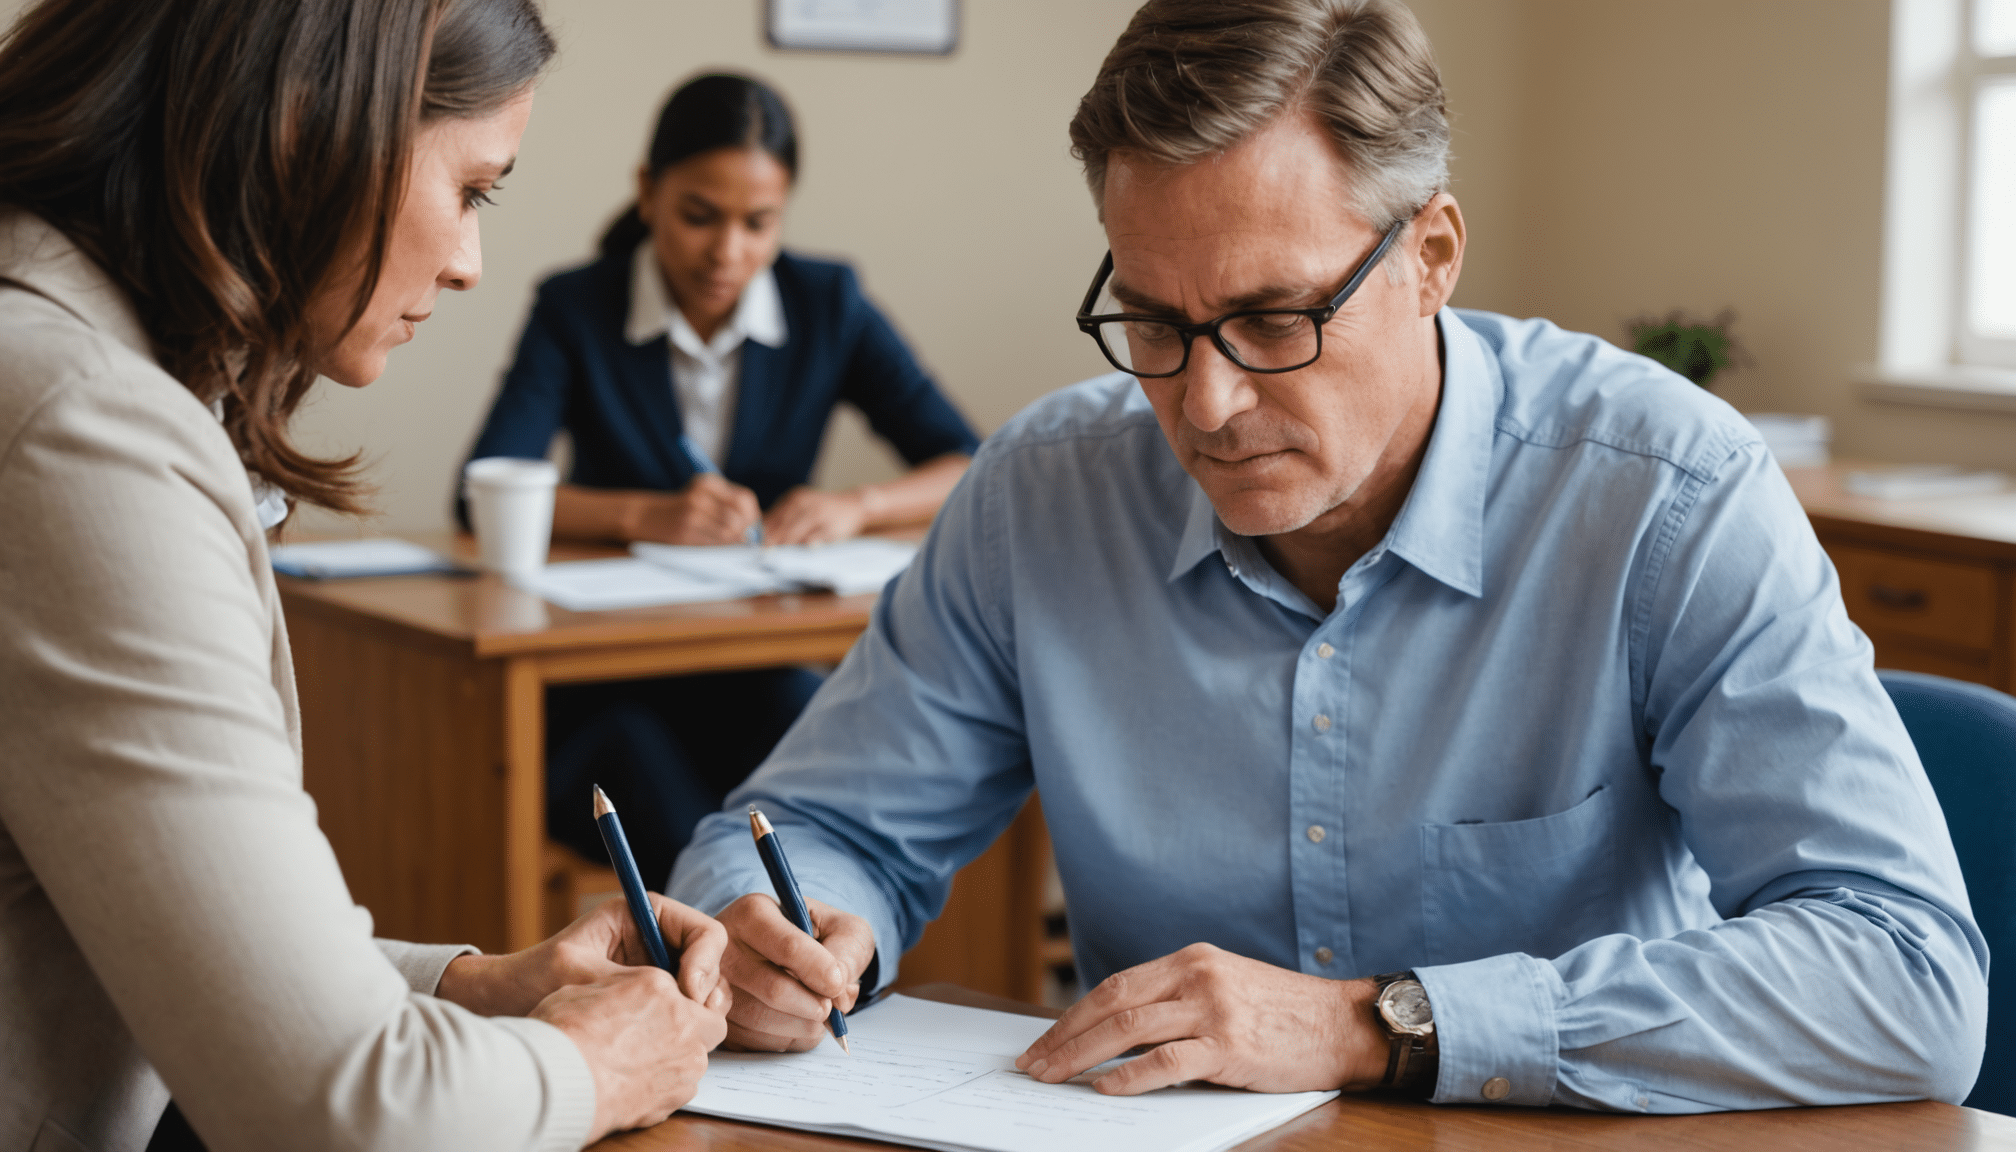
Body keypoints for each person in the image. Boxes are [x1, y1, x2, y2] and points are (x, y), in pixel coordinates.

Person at [669, 0, 1989, 1112]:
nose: (1207, 404)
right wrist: (774, 919)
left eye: (1273, 318)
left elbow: (1906, 976)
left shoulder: (1666, 498)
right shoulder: (1043, 496)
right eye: (1154, 323)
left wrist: (1384, 1025)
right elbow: (817, 829)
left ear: (1431, 257)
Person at [0, 2, 731, 1149]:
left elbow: (155, 943)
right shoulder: (77, 428)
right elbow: (341, 1110)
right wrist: (596, 1064)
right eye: (473, 190)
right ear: (310, 123)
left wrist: (472, 986)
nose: (469, 263)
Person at [462, 72, 982, 889]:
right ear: (648, 193)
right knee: (661, 798)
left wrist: (857, 505)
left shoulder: (826, 302)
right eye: (699, 216)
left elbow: (967, 461)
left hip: (751, 663)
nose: (726, 251)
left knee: (843, 761)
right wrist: (646, 513)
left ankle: (837, 965)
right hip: (609, 676)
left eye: (758, 223)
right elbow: (481, 489)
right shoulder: (577, 306)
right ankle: (731, 973)